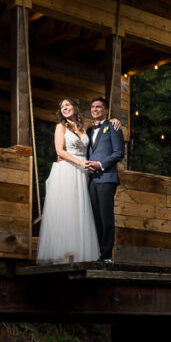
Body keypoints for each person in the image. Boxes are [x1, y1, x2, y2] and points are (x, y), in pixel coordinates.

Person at [36, 99, 101, 264]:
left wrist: (114, 121)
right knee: (68, 209)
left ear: (75, 107)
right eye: (62, 107)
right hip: (68, 169)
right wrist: (79, 162)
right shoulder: (61, 127)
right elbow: (59, 150)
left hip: (83, 173)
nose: (64, 108)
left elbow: (99, 121)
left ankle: (79, 253)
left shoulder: (84, 125)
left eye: (67, 105)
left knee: (81, 210)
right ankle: (65, 253)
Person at [84, 96, 125, 264]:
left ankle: (107, 255)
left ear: (106, 110)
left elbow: (118, 153)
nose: (95, 109)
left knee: (105, 216)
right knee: (94, 217)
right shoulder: (88, 130)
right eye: (93, 107)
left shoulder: (113, 127)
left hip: (106, 177)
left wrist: (100, 164)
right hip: (91, 180)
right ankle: (97, 252)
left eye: (99, 107)